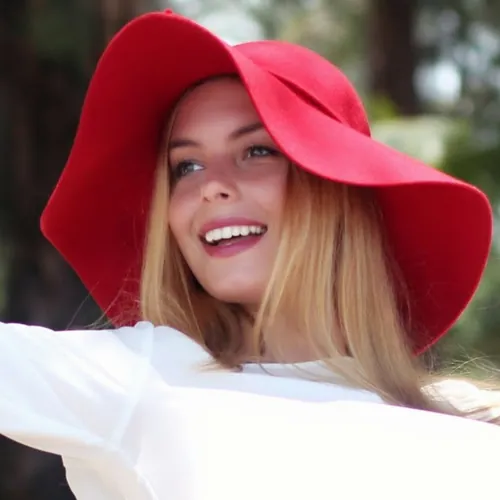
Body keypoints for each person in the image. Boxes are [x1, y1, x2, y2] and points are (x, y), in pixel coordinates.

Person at [1, 9, 500, 500]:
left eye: (257, 151)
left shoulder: (468, 426)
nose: (211, 185)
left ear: (339, 190)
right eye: (186, 165)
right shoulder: (140, 377)